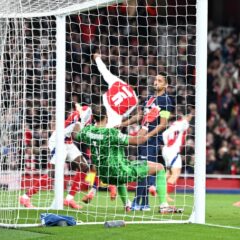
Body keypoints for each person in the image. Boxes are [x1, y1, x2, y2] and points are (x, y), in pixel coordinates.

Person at [73, 105, 181, 213]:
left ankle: (127, 204)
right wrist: (146, 123)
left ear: (93, 118)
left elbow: (75, 134)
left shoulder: (87, 132)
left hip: (104, 176)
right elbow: (138, 140)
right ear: (106, 117)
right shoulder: (111, 133)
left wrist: (79, 119)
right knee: (160, 167)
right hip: (121, 172)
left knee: (117, 171)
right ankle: (164, 206)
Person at [81, 53, 140, 203]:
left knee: (96, 159)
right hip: (113, 128)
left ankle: (92, 189)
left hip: (99, 119)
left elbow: (104, 71)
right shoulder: (134, 100)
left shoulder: (117, 82)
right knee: (115, 163)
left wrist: (97, 58)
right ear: (137, 86)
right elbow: (124, 115)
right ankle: (121, 198)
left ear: (127, 81)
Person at [19, 103, 91, 209]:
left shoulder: (86, 116)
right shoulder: (80, 117)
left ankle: (69, 199)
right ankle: (25, 197)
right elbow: (76, 135)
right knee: (53, 173)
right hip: (58, 140)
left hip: (68, 142)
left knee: (85, 167)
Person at [120, 73, 174, 211]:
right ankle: (142, 203)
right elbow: (140, 116)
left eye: (160, 80)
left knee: (145, 168)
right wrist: (123, 124)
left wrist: (148, 135)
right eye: (155, 80)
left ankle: (142, 201)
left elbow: (163, 124)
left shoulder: (166, 100)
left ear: (166, 85)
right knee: (141, 168)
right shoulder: (149, 99)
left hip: (151, 139)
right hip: (142, 137)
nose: (156, 82)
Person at [162, 108, 194, 202]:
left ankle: (158, 189)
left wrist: (167, 144)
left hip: (167, 149)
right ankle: (165, 195)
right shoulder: (183, 123)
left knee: (168, 172)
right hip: (173, 151)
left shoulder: (175, 123)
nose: (191, 117)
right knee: (175, 174)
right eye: (190, 115)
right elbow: (185, 125)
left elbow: (164, 134)